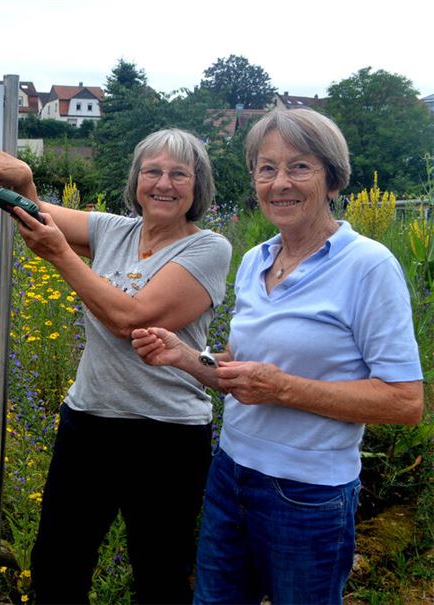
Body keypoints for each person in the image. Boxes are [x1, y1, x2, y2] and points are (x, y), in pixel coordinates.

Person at [131, 108, 424, 604]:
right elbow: (245, 371)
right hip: (230, 476)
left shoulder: (369, 266)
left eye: (300, 167)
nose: (279, 183)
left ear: (332, 180)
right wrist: (184, 357)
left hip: (308, 496)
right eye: (266, 168)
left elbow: (404, 401)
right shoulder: (255, 259)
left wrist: (282, 387)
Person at [0, 130, 232, 604]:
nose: (163, 183)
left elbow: (130, 319)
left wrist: (63, 256)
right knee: (56, 569)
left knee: (160, 575)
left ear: (197, 186)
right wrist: (25, 180)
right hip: (88, 424)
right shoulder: (113, 230)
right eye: (152, 171)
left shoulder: (207, 248)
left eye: (178, 174)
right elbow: (40, 216)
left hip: (167, 436)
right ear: (136, 179)